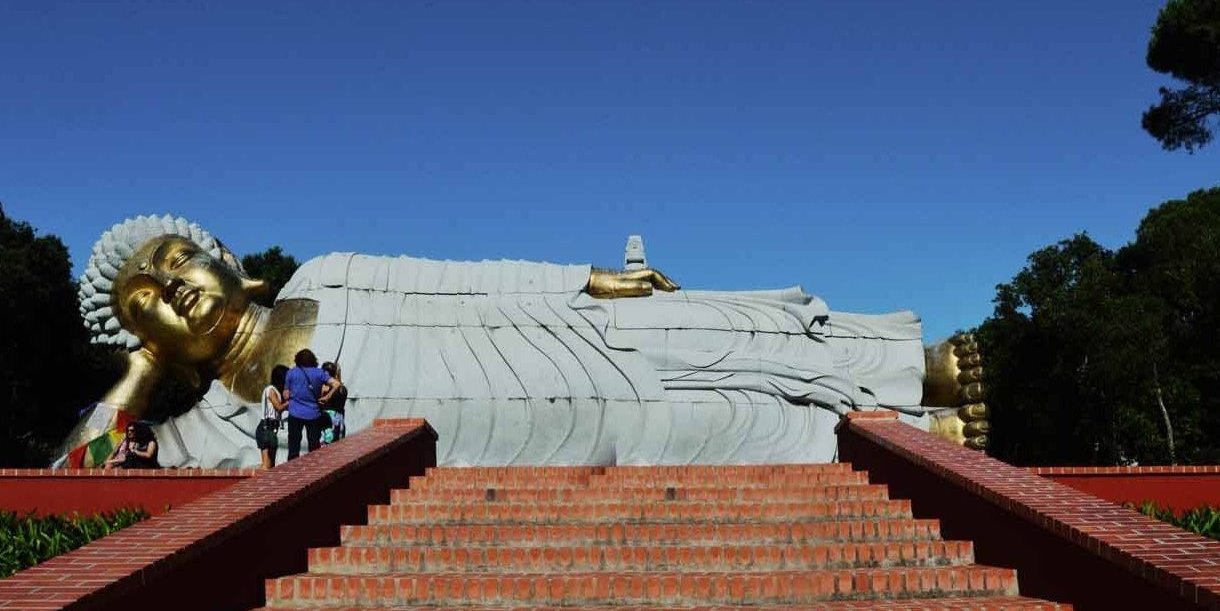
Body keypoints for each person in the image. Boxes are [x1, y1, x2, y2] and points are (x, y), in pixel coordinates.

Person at [70, 215, 987, 468]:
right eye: (145, 303)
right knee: (709, 430)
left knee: (694, 326)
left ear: (230, 260)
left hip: (530, 336)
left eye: (177, 260)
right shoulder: (215, 432)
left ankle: (911, 365)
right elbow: (75, 479)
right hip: (502, 439)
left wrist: (582, 279)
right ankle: (920, 432)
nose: (172, 288)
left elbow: (463, 277)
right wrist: (140, 373)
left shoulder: (328, 273)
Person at [283, 349, 329, 460]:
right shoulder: (319, 373)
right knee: (314, 446)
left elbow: (286, 395)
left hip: (295, 413)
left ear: (297, 359)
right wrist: (327, 397)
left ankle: (292, 468)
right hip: (313, 414)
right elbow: (336, 384)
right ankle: (314, 467)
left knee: (293, 446)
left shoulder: (291, 373)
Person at [256, 365, 288, 469]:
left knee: (272, 464)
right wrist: (290, 402)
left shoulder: (277, 391)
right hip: (266, 427)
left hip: (273, 427)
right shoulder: (270, 390)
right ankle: (260, 479)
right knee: (267, 464)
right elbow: (279, 407)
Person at [319, 362, 347, 443]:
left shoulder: (324, 388)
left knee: (328, 443)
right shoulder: (342, 388)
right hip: (338, 419)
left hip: (330, 420)